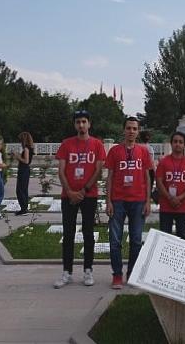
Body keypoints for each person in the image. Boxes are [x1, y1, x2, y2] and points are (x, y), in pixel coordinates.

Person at [54, 110, 106, 289]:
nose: (81, 125)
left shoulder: (97, 145)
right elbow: (61, 170)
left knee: (88, 232)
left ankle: (88, 270)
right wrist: (69, 192)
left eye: (84, 121)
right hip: (68, 195)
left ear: (89, 124)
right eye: (78, 122)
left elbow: (98, 171)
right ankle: (67, 272)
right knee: (68, 234)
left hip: (89, 195)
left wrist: (83, 191)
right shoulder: (66, 144)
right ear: (74, 124)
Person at [105, 117, 152, 289]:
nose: (131, 131)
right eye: (128, 128)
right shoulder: (115, 151)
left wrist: (148, 201)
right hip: (118, 201)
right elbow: (109, 177)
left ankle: (132, 273)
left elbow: (148, 178)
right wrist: (108, 200)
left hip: (138, 201)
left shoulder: (144, 152)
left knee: (136, 240)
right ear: (123, 130)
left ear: (138, 131)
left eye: (134, 128)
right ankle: (117, 275)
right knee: (115, 240)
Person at [156, 132, 185, 240]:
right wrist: (170, 198)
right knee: (164, 237)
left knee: (182, 237)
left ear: (184, 145)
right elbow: (159, 182)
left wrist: (179, 198)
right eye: (175, 141)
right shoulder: (163, 162)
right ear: (171, 143)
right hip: (166, 205)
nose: (177, 144)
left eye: (180, 142)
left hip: (182, 206)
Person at [12, 132, 34, 216]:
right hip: (25, 170)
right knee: (23, 189)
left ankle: (23, 209)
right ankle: (24, 208)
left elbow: (26, 161)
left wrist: (17, 156)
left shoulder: (26, 149)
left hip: (24, 170)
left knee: (20, 190)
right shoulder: (30, 148)